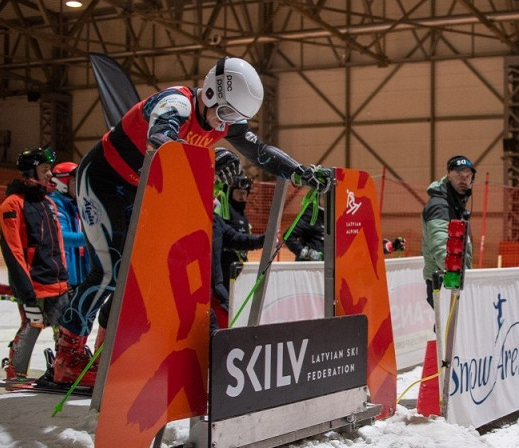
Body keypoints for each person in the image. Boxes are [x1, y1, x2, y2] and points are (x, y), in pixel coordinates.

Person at [52, 57, 333, 386]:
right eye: (226, 114)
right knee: (112, 266)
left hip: (140, 188)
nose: (223, 126)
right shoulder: (175, 104)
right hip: (104, 179)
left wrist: (299, 172)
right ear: (212, 93)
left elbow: (260, 152)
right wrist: (213, 158)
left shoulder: (221, 119)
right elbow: (161, 148)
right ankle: (67, 355)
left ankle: (106, 350)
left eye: (235, 120)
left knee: (137, 273)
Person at [0, 148, 69, 380]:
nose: (50, 174)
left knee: (65, 329)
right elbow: (12, 249)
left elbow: (58, 244)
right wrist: (25, 289)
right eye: (44, 170)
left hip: (57, 282)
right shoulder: (13, 204)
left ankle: (64, 369)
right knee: (32, 325)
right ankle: (15, 370)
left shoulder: (49, 203)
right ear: (30, 172)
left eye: (50, 169)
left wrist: (66, 277)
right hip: (33, 283)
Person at [421, 155, 474, 308]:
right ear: (449, 175)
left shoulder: (455, 203)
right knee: (448, 329)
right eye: (458, 175)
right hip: (446, 282)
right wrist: (457, 279)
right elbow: (441, 247)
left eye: (467, 176)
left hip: (455, 280)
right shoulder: (440, 206)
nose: (463, 180)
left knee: (453, 329)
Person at [50, 162, 91, 289]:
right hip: (65, 279)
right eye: (74, 183)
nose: (79, 187)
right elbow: (61, 237)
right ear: (62, 184)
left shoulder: (79, 204)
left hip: (83, 276)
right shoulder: (54, 204)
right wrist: (91, 238)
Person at [220, 173, 264, 291]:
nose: (241, 196)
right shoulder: (225, 210)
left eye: (243, 193)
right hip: (225, 267)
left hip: (239, 265)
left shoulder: (242, 214)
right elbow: (229, 238)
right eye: (238, 192)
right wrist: (259, 240)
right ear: (231, 192)